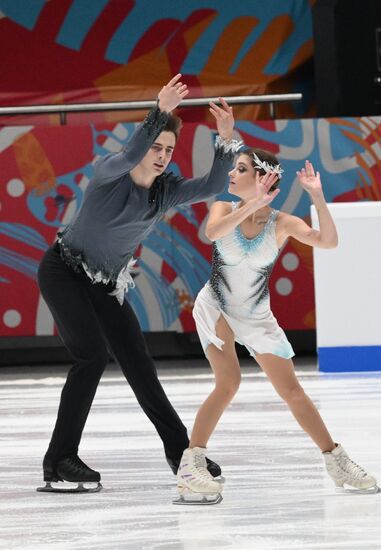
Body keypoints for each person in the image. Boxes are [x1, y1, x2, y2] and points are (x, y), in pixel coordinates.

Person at [36, 74, 242, 493]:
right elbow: (131, 150)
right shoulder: (111, 171)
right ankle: (59, 460)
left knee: (140, 365)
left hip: (106, 284)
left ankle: (181, 452)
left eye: (168, 149)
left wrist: (226, 138)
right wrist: (159, 111)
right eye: (156, 147)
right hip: (63, 272)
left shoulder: (164, 192)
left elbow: (215, 186)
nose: (162, 155)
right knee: (91, 356)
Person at [175, 149, 380, 504]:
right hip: (217, 306)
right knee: (229, 382)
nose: (231, 175)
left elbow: (329, 242)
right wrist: (251, 205)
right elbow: (212, 234)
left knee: (293, 391)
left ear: (261, 178)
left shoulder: (282, 223)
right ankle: (191, 464)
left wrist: (317, 195)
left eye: (240, 169)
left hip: (255, 314)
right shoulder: (224, 209)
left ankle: (335, 459)